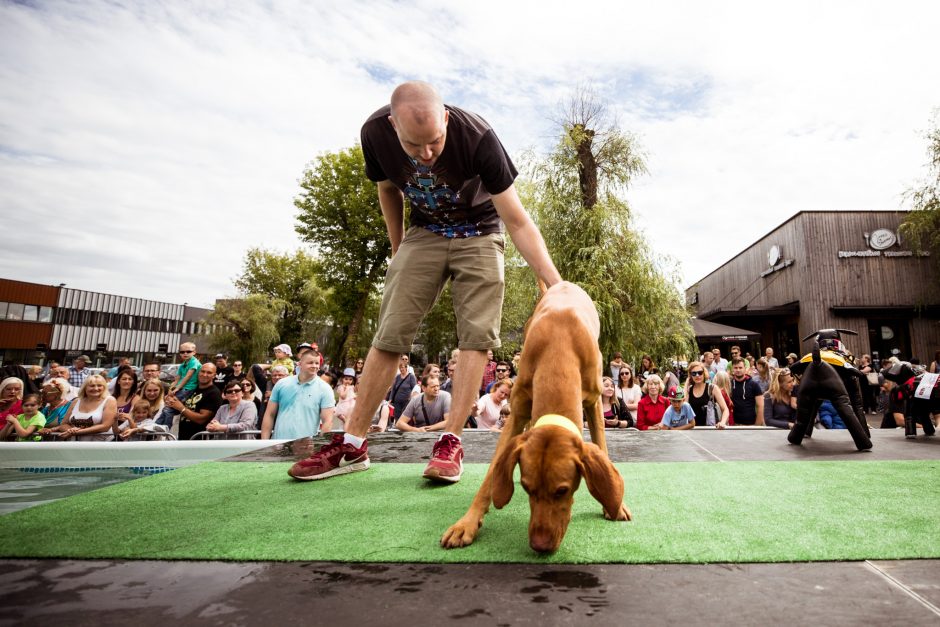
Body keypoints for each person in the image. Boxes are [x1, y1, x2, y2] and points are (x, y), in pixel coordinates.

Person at [288, 81, 561, 483]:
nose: (427, 153)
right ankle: (352, 443)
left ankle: (450, 441)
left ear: (446, 119)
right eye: (414, 146)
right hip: (425, 232)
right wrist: (398, 249)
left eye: (434, 141)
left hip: (481, 233)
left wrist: (555, 284)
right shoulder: (374, 133)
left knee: (476, 336)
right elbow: (387, 190)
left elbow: (518, 220)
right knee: (390, 332)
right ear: (393, 125)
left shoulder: (478, 138)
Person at [260, 351, 335, 440]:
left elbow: (328, 421)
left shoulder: (325, 389)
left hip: (305, 448)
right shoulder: (282, 384)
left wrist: (321, 446)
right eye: (310, 362)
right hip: (277, 444)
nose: (314, 366)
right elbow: (269, 414)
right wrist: (264, 442)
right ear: (300, 364)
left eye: (317, 363)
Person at [166, 362, 223, 440]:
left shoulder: (214, 393)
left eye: (209, 372)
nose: (204, 374)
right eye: (202, 371)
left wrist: (181, 408)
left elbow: (201, 419)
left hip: (199, 440)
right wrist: (172, 401)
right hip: (184, 437)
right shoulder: (193, 388)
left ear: (214, 375)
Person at [57, 374, 117, 441]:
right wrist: (70, 430)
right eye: (92, 386)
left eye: (99, 385)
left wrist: (78, 432)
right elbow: (63, 424)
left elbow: (105, 426)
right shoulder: (76, 401)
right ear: (85, 387)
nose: (96, 388)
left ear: (104, 387)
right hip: (74, 444)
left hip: (100, 444)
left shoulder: (110, 400)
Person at [155, 342, 201, 428]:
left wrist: (176, 389)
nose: (185, 353)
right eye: (182, 352)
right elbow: (177, 379)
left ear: (194, 352)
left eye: (188, 351)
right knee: (166, 408)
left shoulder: (194, 362)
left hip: (188, 388)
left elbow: (187, 377)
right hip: (182, 388)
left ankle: (165, 428)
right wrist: (171, 390)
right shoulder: (182, 364)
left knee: (168, 409)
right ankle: (156, 425)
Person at [683, 360, 730, 428]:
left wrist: (722, 422)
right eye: (694, 373)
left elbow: (725, 409)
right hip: (693, 429)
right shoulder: (689, 390)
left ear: (704, 373)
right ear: (690, 375)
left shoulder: (712, 388)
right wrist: (686, 384)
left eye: (700, 373)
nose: (697, 375)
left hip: (710, 428)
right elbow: (684, 407)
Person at [729, 358, 764, 426]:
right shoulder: (729, 384)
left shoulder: (754, 384)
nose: (738, 370)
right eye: (735, 368)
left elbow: (761, 406)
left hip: (751, 424)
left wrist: (757, 426)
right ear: (732, 369)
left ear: (745, 368)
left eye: (740, 367)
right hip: (733, 425)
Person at [388, 355, 417, 422]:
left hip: (406, 401)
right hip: (397, 401)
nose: (401, 369)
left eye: (403, 368)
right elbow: (394, 389)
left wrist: (413, 398)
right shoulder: (398, 377)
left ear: (406, 368)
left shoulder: (411, 377)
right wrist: (390, 398)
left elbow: (415, 388)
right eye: (400, 368)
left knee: (404, 418)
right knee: (397, 417)